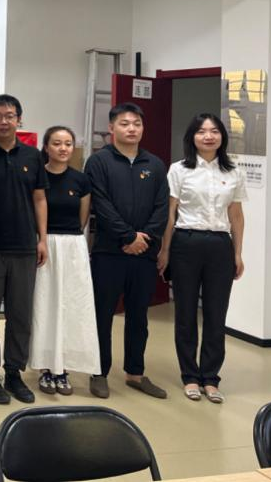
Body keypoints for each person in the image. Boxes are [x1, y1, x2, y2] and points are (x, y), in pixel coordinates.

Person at [158, 113, 246, 404]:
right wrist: (165, 250)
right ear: (192, 137)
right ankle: (190, 376)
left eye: (214, 131)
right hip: (186, 242)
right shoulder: (179, 169)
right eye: (202, 131)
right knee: (185, 313)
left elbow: (236, 215)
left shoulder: (233, 171)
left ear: (222, 136)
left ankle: (210, 377)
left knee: (216, 313)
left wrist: (237, 252)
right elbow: (170, 214)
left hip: (220, 245)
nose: (208, 136)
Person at [85, 102, 169, 400]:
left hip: (144, 254)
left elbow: (162, 207)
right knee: (102, 315)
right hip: (109, 252)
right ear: (111, 128)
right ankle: (99, 372)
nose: (131, 129)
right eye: (124, 123)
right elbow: (101, 204)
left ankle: (135, 372)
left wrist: (145, 239)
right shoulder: (98, 162)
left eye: (136, 124)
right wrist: (128, 235)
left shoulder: (155, 164)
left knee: (139, 316)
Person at [0, 94, 47, 405]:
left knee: (21, 314)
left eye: (10, 116)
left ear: (19, 119)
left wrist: (42, 239)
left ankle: (14, 372)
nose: (4, 121)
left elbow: (39, 198)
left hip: (25, 247)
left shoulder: (33, 156)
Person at [27, 126, 100, 396]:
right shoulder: (37, 176)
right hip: (44, 245)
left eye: (68, 143)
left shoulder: (81, 180)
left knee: (71, 306)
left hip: (72, 247)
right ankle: (46, 367)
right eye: (56, 143)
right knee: (45, 305)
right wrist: (43, 239)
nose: (63, 148)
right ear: (46, 147)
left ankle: (63, 368)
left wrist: (69, 242)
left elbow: (82, 219)